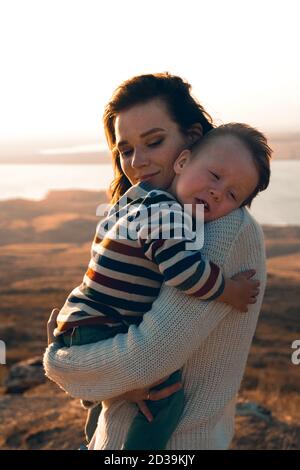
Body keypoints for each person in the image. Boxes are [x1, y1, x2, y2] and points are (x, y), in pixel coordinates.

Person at [44, 72, 271, 450]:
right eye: (126, 149)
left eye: (154, 142)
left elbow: (146, 361)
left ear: (191, 140)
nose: (138, 162)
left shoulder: (222, 226)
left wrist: (60, 360)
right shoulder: (162, 214)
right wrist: (93, 375)